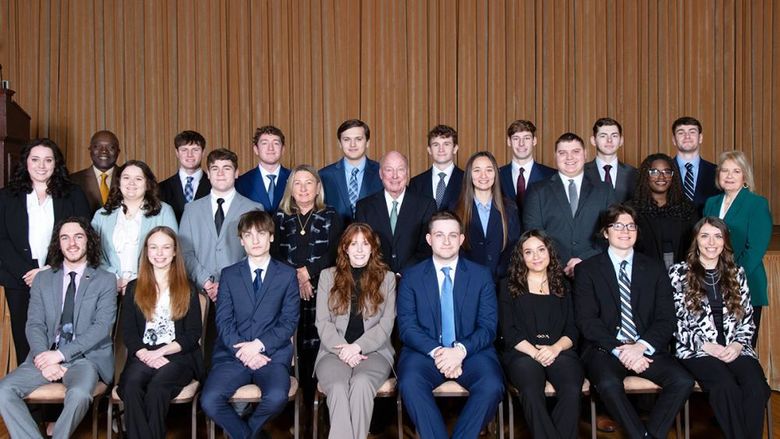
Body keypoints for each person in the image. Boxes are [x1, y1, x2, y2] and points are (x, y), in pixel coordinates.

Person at [574, 204, 693, 439]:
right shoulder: (587, 270)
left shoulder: (655, 268)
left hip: (646, 347)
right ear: (605, 232)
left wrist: (640, 347)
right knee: (608, 385)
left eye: (630, 226)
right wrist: (622, 351)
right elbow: (587, 321)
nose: (625, 231)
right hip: (605, 350)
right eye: (617, 225)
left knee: (682, 381)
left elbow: (665, 318)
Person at [0, 217, 116, 438]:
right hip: (44, 356)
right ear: (58, 244)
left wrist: (60, 355)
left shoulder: (105, 280)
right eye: (65, 237)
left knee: (80, 395)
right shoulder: (43, 279)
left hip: (85, 358)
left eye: (78, 236)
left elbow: (101, 328)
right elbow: (34, 323)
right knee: (3, 391)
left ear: (88, 241)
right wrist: (45, 357)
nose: (72, 243)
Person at [397, 211, 504, 439]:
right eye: (439, 235)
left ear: (461, 239)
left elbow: (488, 326)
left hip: (471, 351)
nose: (446, 241)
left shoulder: (481, 275)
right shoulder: (411, 276)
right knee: (409, 383)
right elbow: (407, 327)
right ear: (429, 239)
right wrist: (440, 353)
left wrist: (459, 351)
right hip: (425, 353)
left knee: (492, 384)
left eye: (452, 235)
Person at [200, 210, 299, 439]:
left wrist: (259, 346)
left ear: (271, 237)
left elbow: (288, 321)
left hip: (271, 356)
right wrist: (244, 350)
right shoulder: (229, 275)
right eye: (248, 235)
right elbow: (223, 321)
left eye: (261, 234)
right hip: (233, 355)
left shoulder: (286, 275)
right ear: (241, 240)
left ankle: (245, 433)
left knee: (276, 398)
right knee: (209, 400)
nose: (255, 240)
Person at [668, 217, 770, 439]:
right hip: (696, 350)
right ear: (696, 241)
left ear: (725, 241)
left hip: (736, 347)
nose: (711, 242)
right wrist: (708, 347)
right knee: (725, 387)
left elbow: (747, 319)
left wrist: (736, 344)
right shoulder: (678, 273)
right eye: (705, 236)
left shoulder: (737, 273)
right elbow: (676, 322)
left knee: (757, 387)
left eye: (717, 236)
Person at [0, 138, 90, 363]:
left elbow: (83, 234)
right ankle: (31, 394)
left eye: (48, 160)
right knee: (24, 340)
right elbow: (2, 239)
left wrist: (51, 268)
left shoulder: (73, 194)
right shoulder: (6, 196)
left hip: (61, 274)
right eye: (35, 159)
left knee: (60, 338)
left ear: (56, 164)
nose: (41, 165)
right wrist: (28, 272)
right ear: (26, 163)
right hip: (20, 279)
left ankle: (60, 391)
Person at [118, 226, 204, 439]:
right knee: (131, 386)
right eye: (154, 247)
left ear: (175, 252)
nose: (159, 253)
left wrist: (161, 352)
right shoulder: (133, 288)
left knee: (157, 387)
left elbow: (193, 334)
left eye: (166, 247)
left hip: (178, 357)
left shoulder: (188, 288)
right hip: (143, 355)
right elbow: (128, 332)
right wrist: (146, 354)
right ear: (146, 251)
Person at [314, 223, 396, 439]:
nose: (359, 250)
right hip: (333, 353)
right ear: (345, 248)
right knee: (339, 387)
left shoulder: (386, 279)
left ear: (372, 248)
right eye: (354, 244)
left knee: (361, 384)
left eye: (365, 244)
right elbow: (322, 322)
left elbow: (386, 324)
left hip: (375, 353)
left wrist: (358, 347)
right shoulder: (327, 277)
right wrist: (344, 350)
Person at [499, 230, 583, 439]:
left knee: (572, 388)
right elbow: (509, 333)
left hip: (559, 351)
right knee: (530, 391)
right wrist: (536, 353)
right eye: (528, 252)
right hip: (523, 353)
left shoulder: (564, 285)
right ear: (521, 257)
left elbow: (572, 329)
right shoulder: (507, 286)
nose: (536, 257)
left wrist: (554, 349)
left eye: (541, 250)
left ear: (549, 252)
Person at [272, 164, 343, 402]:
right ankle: (297, 410)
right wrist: (297, 276)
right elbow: (274, 254)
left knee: (319, 348)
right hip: (288, 293)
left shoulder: (331, 215)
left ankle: (320, 408)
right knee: (294, 349)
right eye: (298, 183)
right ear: (291, 189)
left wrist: (307, 273)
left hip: (323, 292)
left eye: (308, 183)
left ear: (318, 188)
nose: (303, 188)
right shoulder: (280, 217)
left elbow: (336, 252)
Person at [703, 151, 772, 345]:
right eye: (724, 171)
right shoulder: (711, 203)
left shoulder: (756, 204)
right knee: (717, 343)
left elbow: (755, 249)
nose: (729, 176)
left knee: (742, 345)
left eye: (736, 171)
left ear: (745, 175)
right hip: (711, 282)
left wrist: (730, 275)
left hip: (746, 280)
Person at [178, 148, 264, 303]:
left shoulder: (254, 209)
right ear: (208, 174)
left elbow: (256, 253)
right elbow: (185, 253)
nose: (220, 173)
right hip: (200, 294)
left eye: (227, 168)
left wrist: (227, 283)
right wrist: (206, 281)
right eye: (215, 169)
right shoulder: (191, 210)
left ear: (237, 173)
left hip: (241, 293)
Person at [524, 132, 615, 277]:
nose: (569, 157)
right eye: (562, 153)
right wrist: (559, 263)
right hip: (551, 274)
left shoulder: (604, 190)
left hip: (595, 271)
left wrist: (584, 259)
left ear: (585, 154)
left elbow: (612, 233)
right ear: (555, 156)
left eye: (575, 151)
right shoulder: (537, 191)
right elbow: (533, 234)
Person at [91, 160, 178, 293]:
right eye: (126, 178)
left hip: (151, 287)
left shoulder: (164, 211)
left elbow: (171, 251)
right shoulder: (101, 215)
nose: (131, 183)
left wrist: (138, 281)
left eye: (138, 179)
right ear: (119, 182)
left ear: (147, 184)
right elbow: (93, 252)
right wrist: (114, 278)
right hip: (108, 286)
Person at [355, 150, 436, 275]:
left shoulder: (426, 204)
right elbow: (362, 246)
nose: (395, 176)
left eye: (400, 169)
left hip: (414, 277)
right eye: (389, 170)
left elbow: (427, 246)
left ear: (407, 173)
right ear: (381, 174)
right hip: (375, 278)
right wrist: (385, 275)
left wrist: (401, 274)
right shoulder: (364, 206)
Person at [455, 151, 520, 281]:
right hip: (467, 280)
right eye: (477, 170)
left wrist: (501, 271)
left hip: (502, 282)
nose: (483, 175)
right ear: (469, 175)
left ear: (495, 174)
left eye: (489, 170)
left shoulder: (510, 208)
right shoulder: (455, 209)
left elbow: (515, 246)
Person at [628, 153, 698, 269]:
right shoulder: (631, 210)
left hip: (682, 277)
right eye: (654, 172)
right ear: (646, 175)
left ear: (673, 176)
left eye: (667, 172)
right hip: (642, 274)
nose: (661, 177)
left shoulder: (687, 209)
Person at [319, 119, 383, 224]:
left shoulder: (382, 172)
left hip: (373, 237)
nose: (352, 145)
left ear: (367, 142)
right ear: (340, 143)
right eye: (346, 139)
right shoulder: (324, 175)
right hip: (336, 238)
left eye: (358, 139)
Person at [498, 120, 555, 224]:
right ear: (509, 142)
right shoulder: (497, 175)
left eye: (526, 138)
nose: (521, 143)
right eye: (516, 138)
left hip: (539, 238)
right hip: (506, 239)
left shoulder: (551, 175)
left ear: (534, 141)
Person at [408, 124, 464, 211]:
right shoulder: (416, 183)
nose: (441, 149)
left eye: (446, 144)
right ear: (429, 150)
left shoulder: (467, 180)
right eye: (436, 145)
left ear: (455, 148)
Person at [158, 130, 211, 222]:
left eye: (195, 150)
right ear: (177, 153)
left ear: (203, 152)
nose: (189, 155)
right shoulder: (160, 188)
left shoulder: (215, 186)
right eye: (184, 150)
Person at [235, 125, 291, 213]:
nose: (271, 148)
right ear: (256, 149)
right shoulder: (242, 182)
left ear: (283, 149)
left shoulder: (294, 178)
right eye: (264, 143)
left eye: (276, 143)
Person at [671, 116, 720, 212]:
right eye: (681, 133)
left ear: (700, 138)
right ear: (674, 140)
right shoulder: (663, 172)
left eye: (692, 132)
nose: (687, 136)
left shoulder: (717, 172)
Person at [585, 117, 638, 203]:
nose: (609, 140)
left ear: (621, 140)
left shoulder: (634, 174)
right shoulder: (581, 172)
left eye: (614, 135)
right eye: (603, 136)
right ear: (593, 140)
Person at [70, 130, 122, 214]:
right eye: (97, 146)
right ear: (90, 150)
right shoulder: (73, 180)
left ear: (118, 151)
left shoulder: (130, 179)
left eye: (111, 147)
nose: (104, 151)